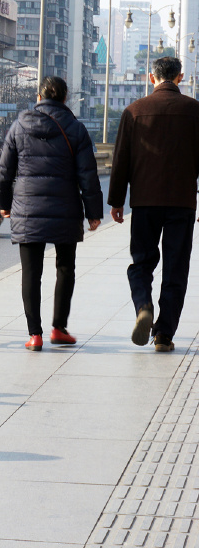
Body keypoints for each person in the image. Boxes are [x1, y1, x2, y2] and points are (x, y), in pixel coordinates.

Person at [0, 76, 103, 352]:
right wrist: (93, 212)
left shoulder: (20, 125)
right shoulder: (76, 129)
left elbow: (3, 171)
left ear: (39, 96)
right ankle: (58, 328)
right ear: (65, 98)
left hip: (27, 208)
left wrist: (3, 204)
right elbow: (88, 175)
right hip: (65, 207)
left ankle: (34, 335)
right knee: (65, 268)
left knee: (31, 273)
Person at [109, 56, 199, 352]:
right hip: (182, 202)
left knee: (141, 263)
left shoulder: (134, 111)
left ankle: (143, 306)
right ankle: (163, 335)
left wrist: (116, 201)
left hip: (145, 201)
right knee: (176, 268)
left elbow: (121, 159)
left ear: (152, 78)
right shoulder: (194, 111)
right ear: (180, 77)